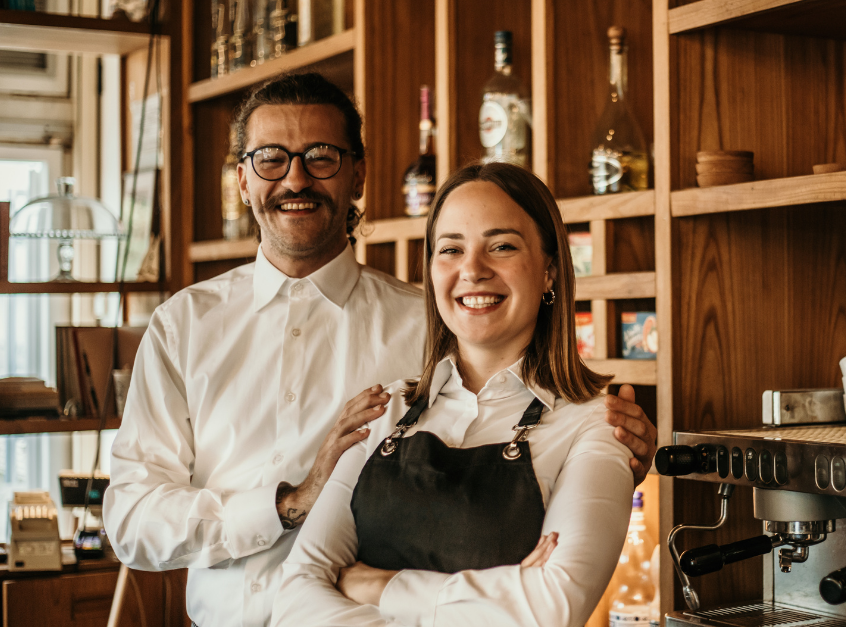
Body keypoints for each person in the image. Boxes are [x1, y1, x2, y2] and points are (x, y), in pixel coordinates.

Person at [103, 73, 658, 627]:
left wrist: (604, 463)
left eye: (320, 157)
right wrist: (287, 504)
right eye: (270, 159)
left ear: (359, 174)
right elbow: (131, 520)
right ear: (243, 180)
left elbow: (533, 423)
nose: (295, 179)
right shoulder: (184, 326)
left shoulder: (434, 326)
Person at [271, 162, 636, 627]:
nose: (472, 269)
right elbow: (296, 594)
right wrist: (498, 599)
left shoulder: (596, 425)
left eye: (502, 246)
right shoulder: (384, 410)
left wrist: (380, 586)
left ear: (549, 270)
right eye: (450, 249)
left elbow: (552, 608)